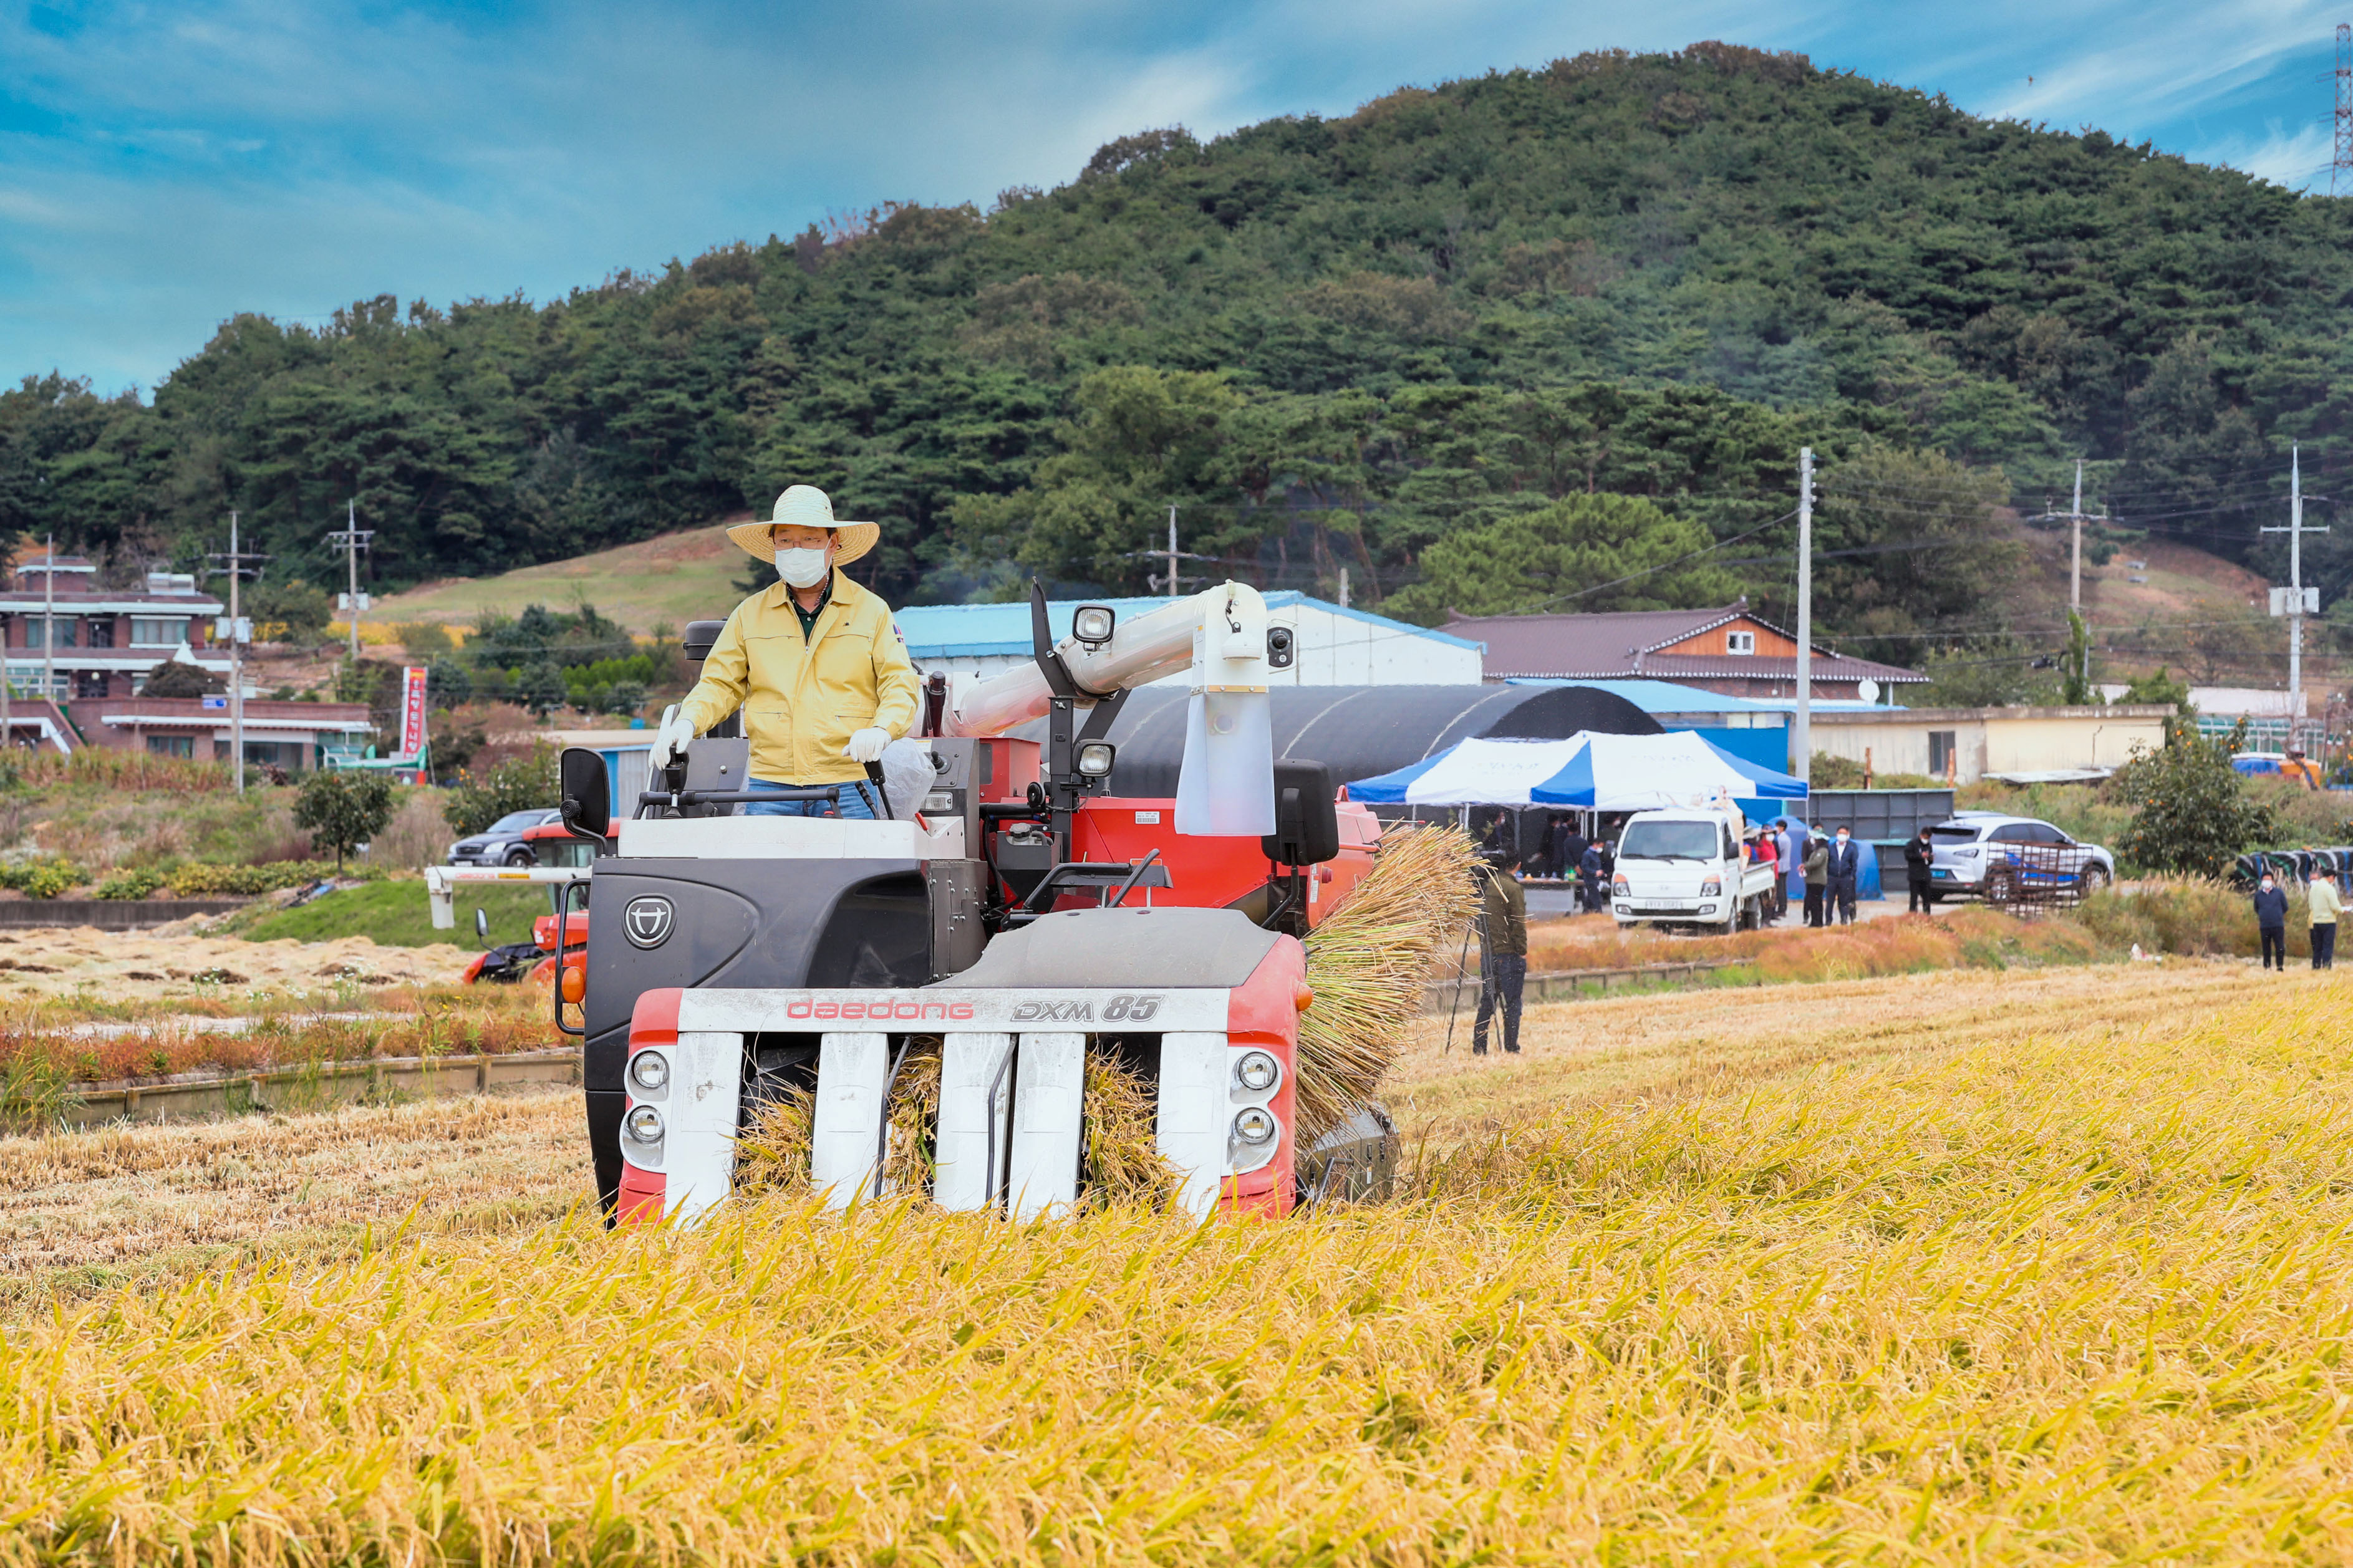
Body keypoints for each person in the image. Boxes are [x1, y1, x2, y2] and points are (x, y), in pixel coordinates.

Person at [655, 486, 919, 818]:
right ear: (774, 546)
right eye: (786, 540)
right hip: (770, 787)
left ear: (832, 543)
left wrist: (882, 729)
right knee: (770, 872)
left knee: (853, 871)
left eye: (810, 540)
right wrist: (688, 720)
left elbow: (899, 684)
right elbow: (720, 684)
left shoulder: (872, 611)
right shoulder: (750, 614)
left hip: (850, 783)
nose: (797, 549)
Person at [1471, 850, 1529, 1055]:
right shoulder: (1512, 888)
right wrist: (1522, 951)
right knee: (1513, 1002)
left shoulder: (1485, 887)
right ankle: (1512, 1047)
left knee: (1488, 1001)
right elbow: (1518, 924)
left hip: (1488, 954)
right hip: (1509, 954)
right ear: (1518, 865)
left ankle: (1479, 1047)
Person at [1825, 825, 1862, 926]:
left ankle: (1844, 919)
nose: (1842, 836)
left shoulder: (1851, 849)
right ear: (1836, 835)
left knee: (1844, 901)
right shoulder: (1831, 847)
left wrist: (1851, 876)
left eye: (1844, 834)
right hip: (1832, 878)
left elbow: (1854, 864)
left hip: (1845, 878)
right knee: (1830, 901)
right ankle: (1828, 921)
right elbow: (1827, 863)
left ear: (1848, 835)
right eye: (1840, 833)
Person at [2254, 872, 2289, 971]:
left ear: (2273, 881)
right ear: (2262, 881)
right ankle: (2267, 966)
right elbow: (2256, 908)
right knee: (2266, 947)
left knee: (2280, 947)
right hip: (2264, 925)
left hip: (2278, 925)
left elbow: (2285, 907)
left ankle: (2280, 966)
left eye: (2269, 880)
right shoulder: (2258, 895)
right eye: (2265, 880)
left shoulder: (2279, 893)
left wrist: (2277, 915)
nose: (2267, 882)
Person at [2311, 867, 2342, 969]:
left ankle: (2316, 966)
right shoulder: (2329, 889)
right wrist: (2343, 910)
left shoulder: (2314, 888)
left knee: (2318, 946)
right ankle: (2327, 966)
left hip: (2316, 921)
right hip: (2329, 921)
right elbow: (2335, 906)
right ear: (2331, 877)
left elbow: (2311, 906)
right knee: (2328, 946)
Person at [1903, 825, 1935, 915]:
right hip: (1915, 876)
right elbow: (1908, 856)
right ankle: (1913, 914)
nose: (1927, 840)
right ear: (1922, 835)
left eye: (1928, 839)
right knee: (1914, 898)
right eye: (1926, 838)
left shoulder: (1928, 845)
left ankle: (1927, 915)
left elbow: (1929, 861)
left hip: (1925, 875)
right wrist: (1920, 856)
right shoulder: (1912, 844)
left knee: (1927, 898)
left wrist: (1930, 859)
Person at [1802, 830, 1829, 928]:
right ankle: (1815, 921)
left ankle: (1817, 922)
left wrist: (1805, 866)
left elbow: (1816, 863)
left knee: (1816, 902)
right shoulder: (1816, 851)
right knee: (1814, 902)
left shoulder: (1822, 851)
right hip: (1812, 880)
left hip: (1818, 881)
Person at [1579, 837, 1606, 916]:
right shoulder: (1588, 854)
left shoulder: (1595, 854)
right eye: (1600, 846)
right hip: (1590, 879)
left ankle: (1587, 911)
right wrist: (1594, 872)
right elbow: (1584, 867)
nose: (1601, 848)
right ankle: (1598, 912)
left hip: (1595, 879)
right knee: (1595, 898)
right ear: (1596, 844)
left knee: (1592, 897)